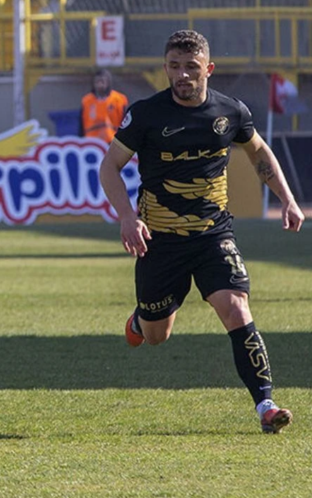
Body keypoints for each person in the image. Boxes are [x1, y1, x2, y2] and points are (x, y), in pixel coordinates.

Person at [99, 30, 304, 434]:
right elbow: (109, 167)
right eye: (174, 67)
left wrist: (287, 198)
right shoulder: (146, 115)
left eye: (191, 67)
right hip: (160, 241)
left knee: (237, 309)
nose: (182, 75)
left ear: (208, 69)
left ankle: (266, 405)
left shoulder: (230, 112)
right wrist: (126, 216)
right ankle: (142, 320)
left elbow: (259, 152)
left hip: (214, 236)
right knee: (157, 335)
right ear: (165, 68)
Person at [79, 68, 128, 143]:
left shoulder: (119, 100)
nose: (99, 84)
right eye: (97, 82)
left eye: (102, 81)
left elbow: (126, 123)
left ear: (108, 82)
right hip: (91, 142)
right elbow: (81, 126)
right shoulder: (86, 101)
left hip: (113, 142)